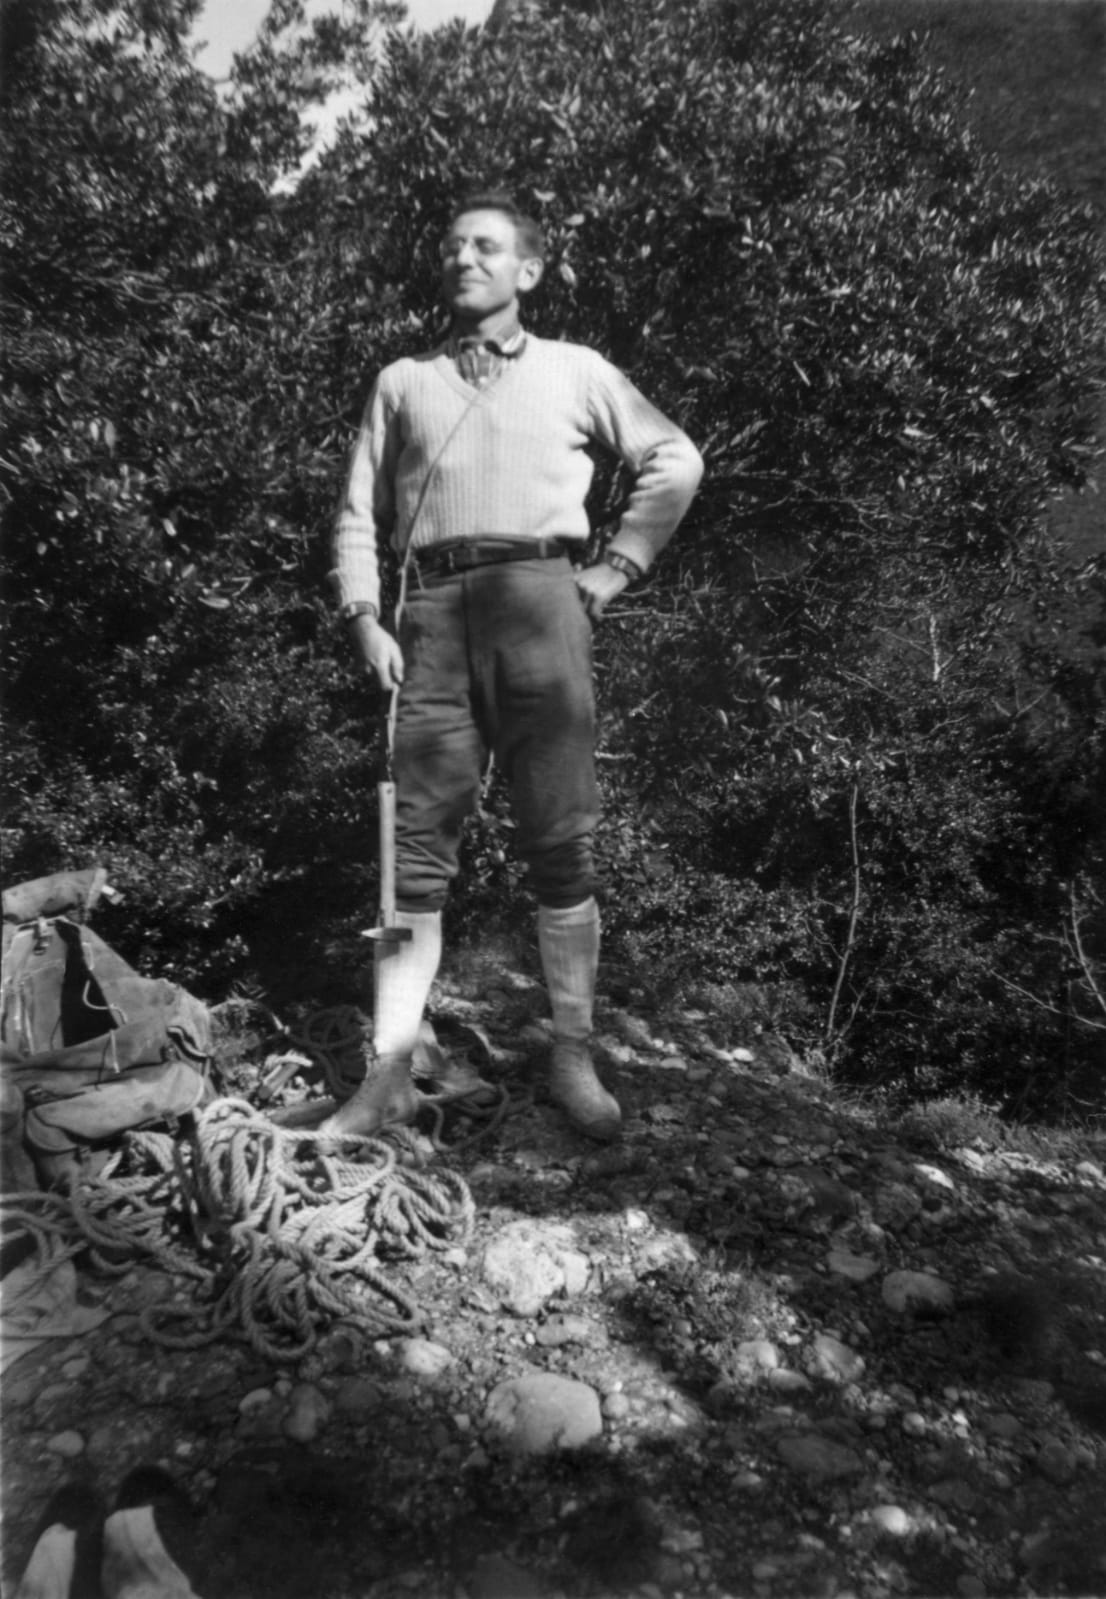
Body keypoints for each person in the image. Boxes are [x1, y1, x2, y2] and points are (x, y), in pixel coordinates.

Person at [325, 191, 702, 1143]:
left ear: (528, 272)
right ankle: (391, 1069)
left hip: (544, 600)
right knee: (413, 851)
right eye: (452, 246)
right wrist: (365, 615)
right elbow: (357, 513)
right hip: (434, 616)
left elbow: (675, 458)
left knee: (560, 837)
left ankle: (572, 1051)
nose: (464, 259)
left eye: (486, 248)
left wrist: (617, 568)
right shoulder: (402, 381)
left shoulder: (576, 371)